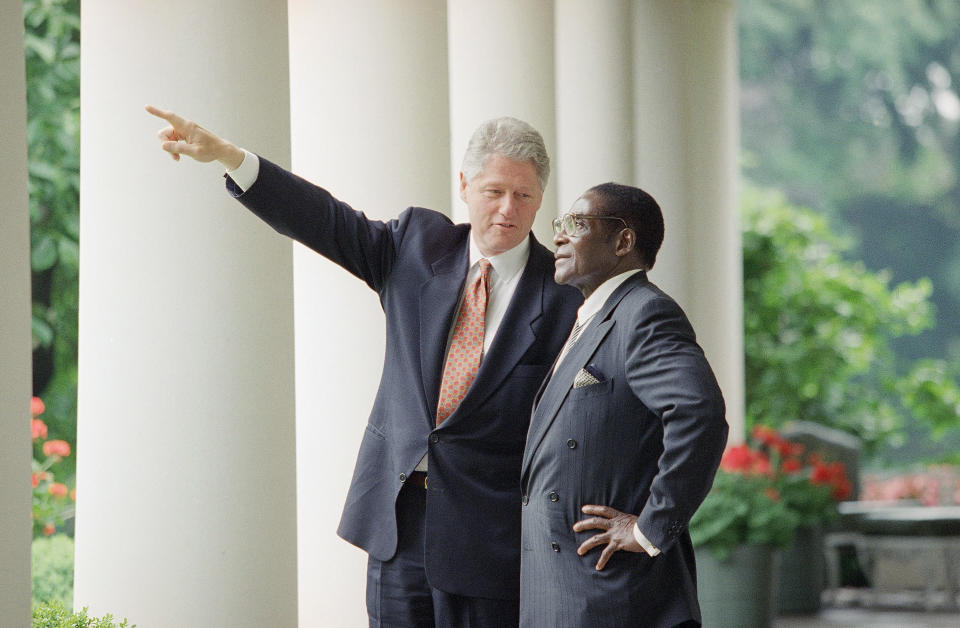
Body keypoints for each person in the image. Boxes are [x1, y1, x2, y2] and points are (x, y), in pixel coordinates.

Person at [146, 105, 581, 627]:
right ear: (464, 184)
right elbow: (324, 219)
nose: (507, 209)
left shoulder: (563, 297)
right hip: (397, 523)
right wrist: (231, 158)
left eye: (524, 195)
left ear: (539, 202)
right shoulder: (417, 245)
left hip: (492, 538)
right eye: (494, 191)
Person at [519, 183, 728, 627]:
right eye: (560, 225)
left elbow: (699, 414)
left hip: (612, 598)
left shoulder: (644, 313)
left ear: (623, 241)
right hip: (564, 591)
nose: (558, 237)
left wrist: (650, 528)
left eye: (576, 224)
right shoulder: (593, 318)